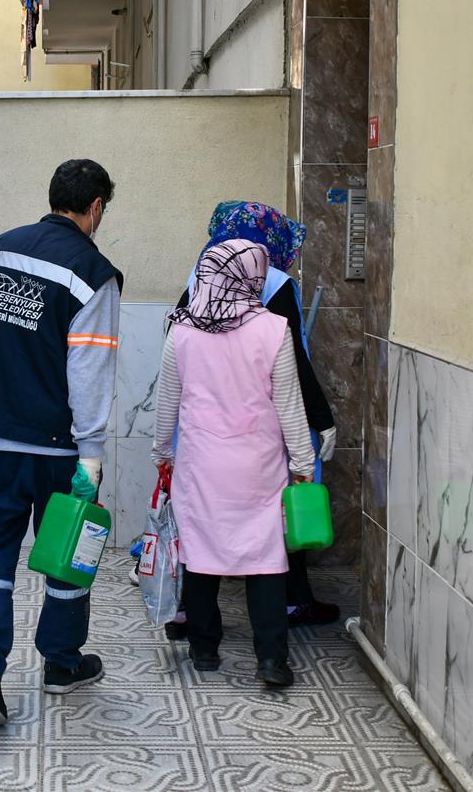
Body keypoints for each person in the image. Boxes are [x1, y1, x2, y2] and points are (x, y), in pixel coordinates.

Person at [0, 159, 122, 726]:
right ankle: (62, 662)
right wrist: (90, 453)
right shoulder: (94, 272)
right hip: (58, 447)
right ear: (95, 209)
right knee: (68, 549)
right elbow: (88, 367)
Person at [152, 239, 317, 687]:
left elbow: (167, 403)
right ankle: (271, 659)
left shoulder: (181, 330)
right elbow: (289, 406)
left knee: (201, 554)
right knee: (265, 560)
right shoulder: (274, 329)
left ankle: (205, 649)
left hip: (201, 465)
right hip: (257, 468)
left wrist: (161, 454)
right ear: (255, 277)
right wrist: (303, 464)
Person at [169, 200, 340, 630]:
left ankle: (196, 623)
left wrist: (162, 444)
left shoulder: (202, 273)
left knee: (200, 525)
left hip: (202, 432)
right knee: (275, 519)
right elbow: (294, 362)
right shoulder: (275, 282)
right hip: (257, 432)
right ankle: (290, 607)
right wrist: (319, 420)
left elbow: (176, 348)